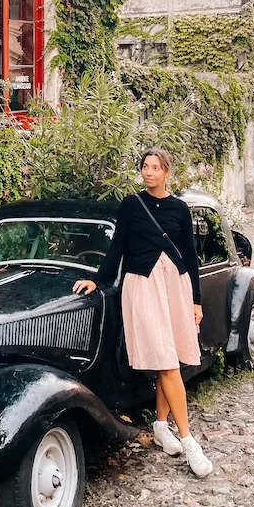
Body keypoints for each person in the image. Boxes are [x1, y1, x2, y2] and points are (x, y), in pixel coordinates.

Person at [73, 148, 213, 478]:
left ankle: (162, 425)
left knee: (172, 359)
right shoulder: (132, 205)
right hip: (143, 285)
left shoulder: (180, 209)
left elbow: (191, 257)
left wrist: (196, 300)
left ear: (166, 172)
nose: (148, 172)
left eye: (155, 167)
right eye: (145, 167)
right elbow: (117, 248)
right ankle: (189, 440)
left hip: (175, 285)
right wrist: (98, 280)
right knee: (166, 361)